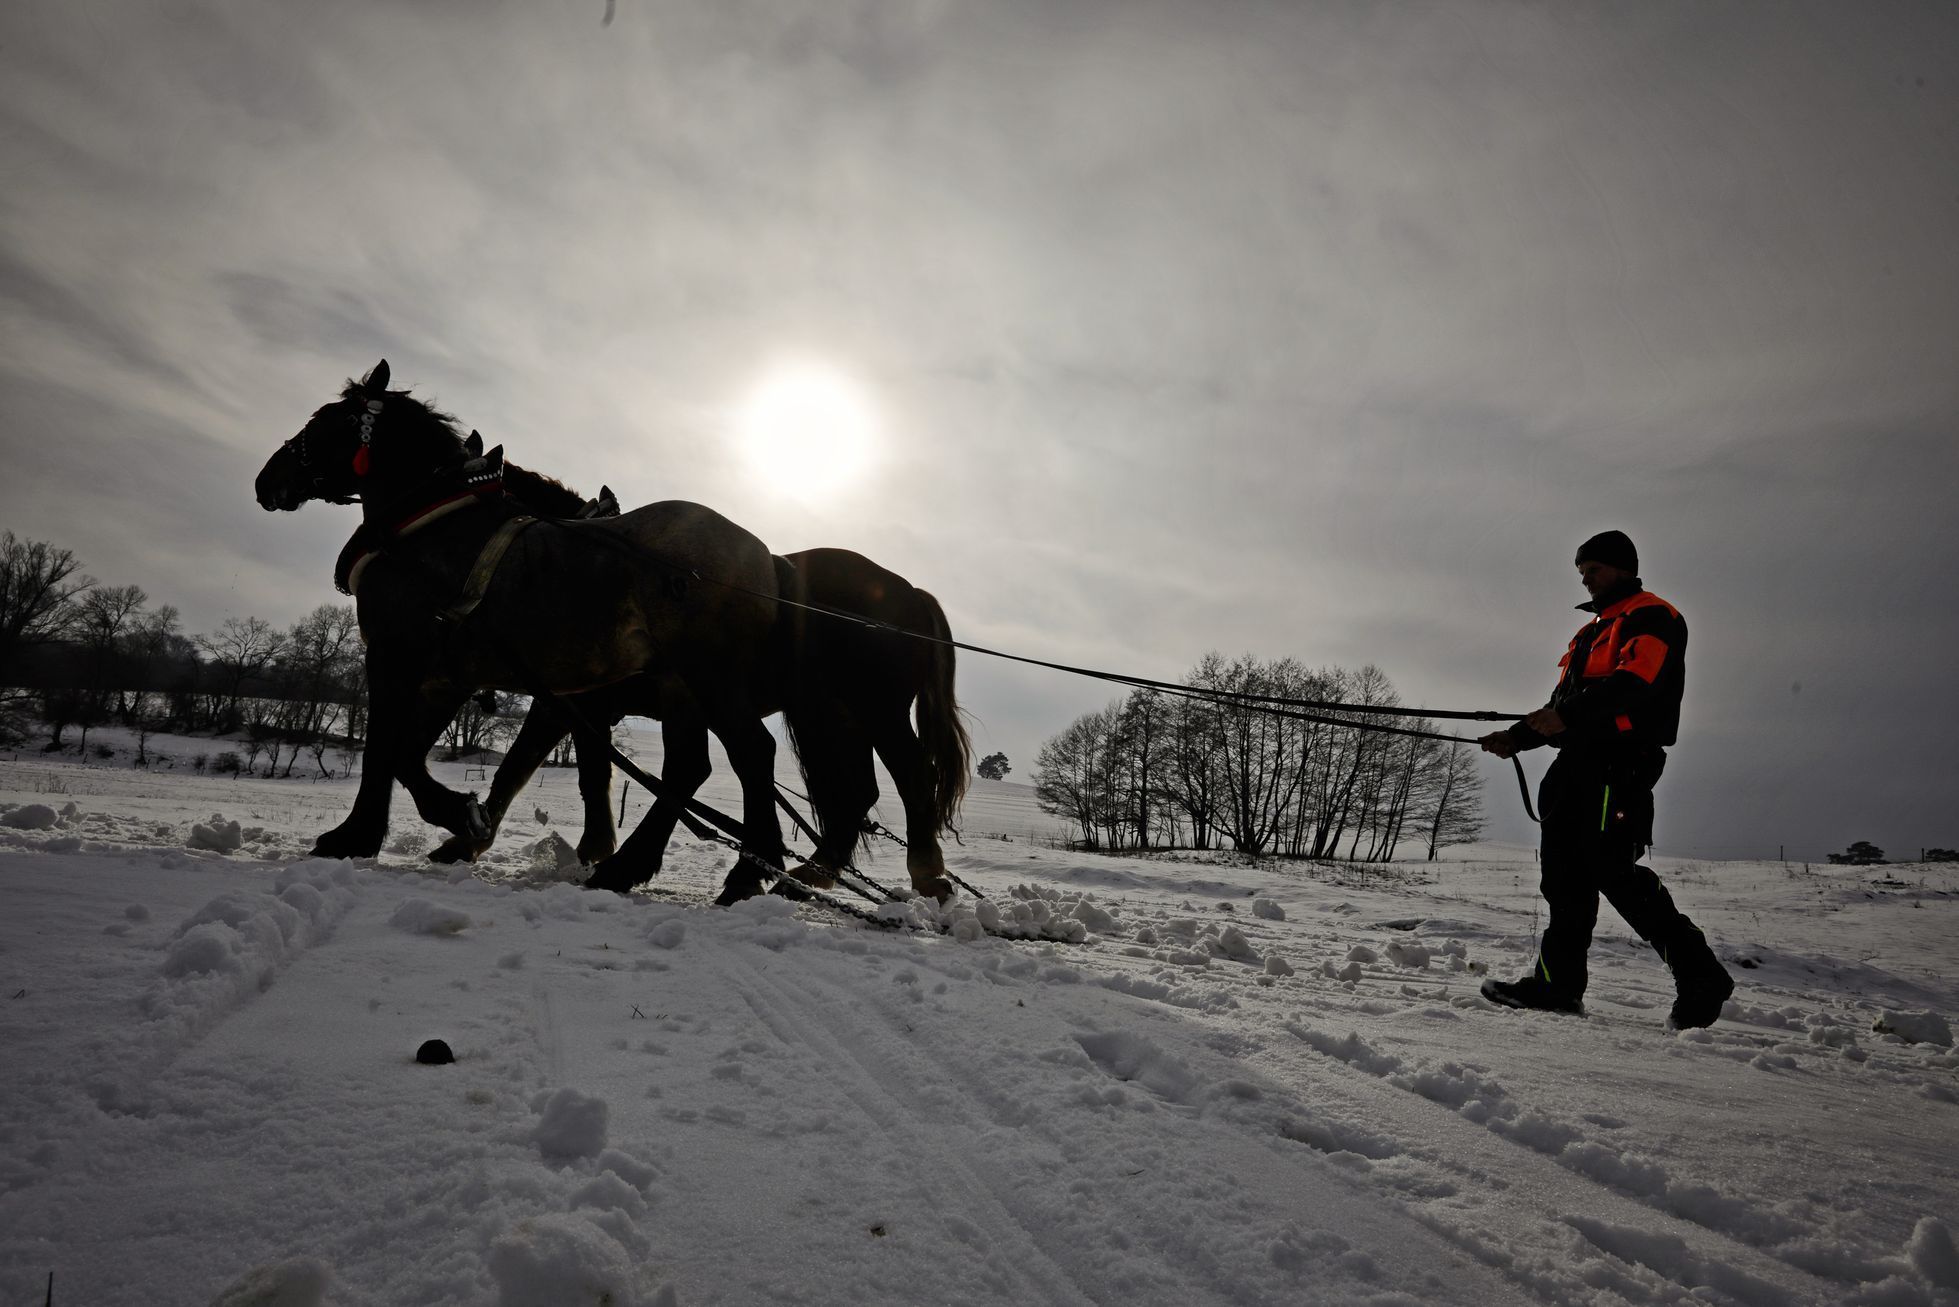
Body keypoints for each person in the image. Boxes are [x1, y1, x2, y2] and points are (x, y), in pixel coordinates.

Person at [1478, 530, 1734, 1030]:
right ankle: (1556, 988)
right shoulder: (1592, 631)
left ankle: (1702, 976)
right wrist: (1516, 737)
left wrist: (1562, 719)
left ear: (1622, 568)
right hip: (1577, 764)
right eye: (1582, 572)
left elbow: (1634, 684)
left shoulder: (1652, 615)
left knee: (1611, 870)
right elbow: (1561, 710)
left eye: (1593, 570)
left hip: (1620, 764)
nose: (1586, 579)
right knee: (1564, 878)